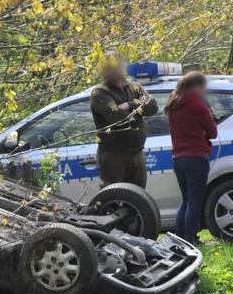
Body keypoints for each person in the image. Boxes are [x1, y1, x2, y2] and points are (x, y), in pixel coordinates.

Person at [89, 51, 158, 188]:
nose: (113, 70)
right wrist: (138, 105)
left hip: (137, 154)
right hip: (114, 157)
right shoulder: (100, 92)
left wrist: (129, 105)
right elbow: (119, 117)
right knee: (115, 200)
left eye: (116, 65)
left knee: (138, 200)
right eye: (108, 67)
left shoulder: (134, 87)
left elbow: (153, 107)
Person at [166, 72, 217, 244]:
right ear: (195, 87)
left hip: (178, 157)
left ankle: (180, 237)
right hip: (196, 156)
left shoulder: (173, 104)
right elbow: (213, 132)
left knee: (186, 198)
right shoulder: (197, 105)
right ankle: (190, 238)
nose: (204, 91)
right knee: (195, 199)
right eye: (203, 87)